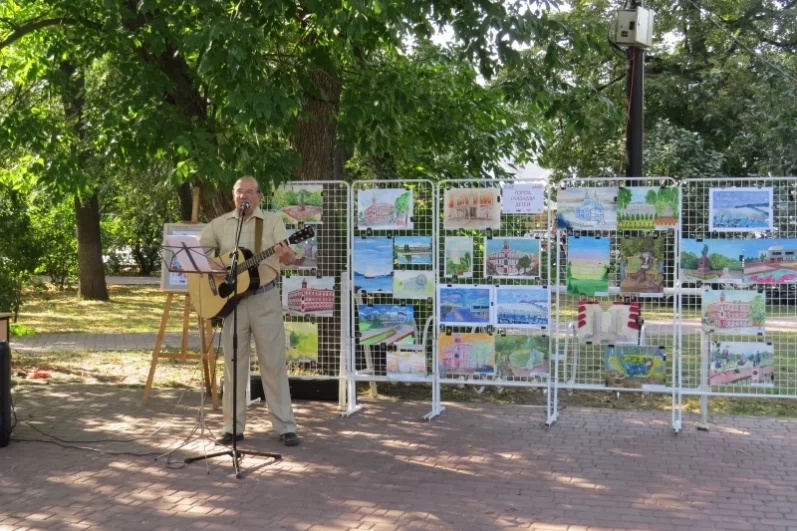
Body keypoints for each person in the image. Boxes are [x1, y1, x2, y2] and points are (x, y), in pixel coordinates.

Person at [199, 176, 300, 447]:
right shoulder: (220, 224)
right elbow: (199, 251)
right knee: (233, 366)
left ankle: (285, 426)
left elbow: (289, 256)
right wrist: (214, 268)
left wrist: (287, 256)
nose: (243, 196)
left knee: (273, 364)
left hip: (265, 299)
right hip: (232, 303)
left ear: (259, 196)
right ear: (233, 196)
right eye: (238, 191)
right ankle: (232, 427)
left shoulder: (273, 222)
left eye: (249, 192)